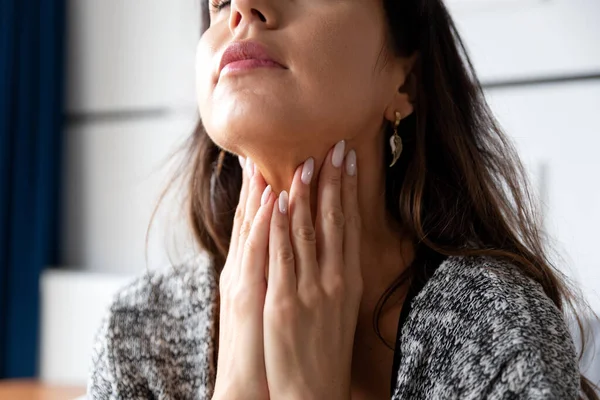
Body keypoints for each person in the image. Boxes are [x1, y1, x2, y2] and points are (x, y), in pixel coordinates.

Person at [87, 0, 599, 398]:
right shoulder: (140, 335)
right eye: (218, 3)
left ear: (407, 80)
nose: (242, 7)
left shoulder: (493, 327)